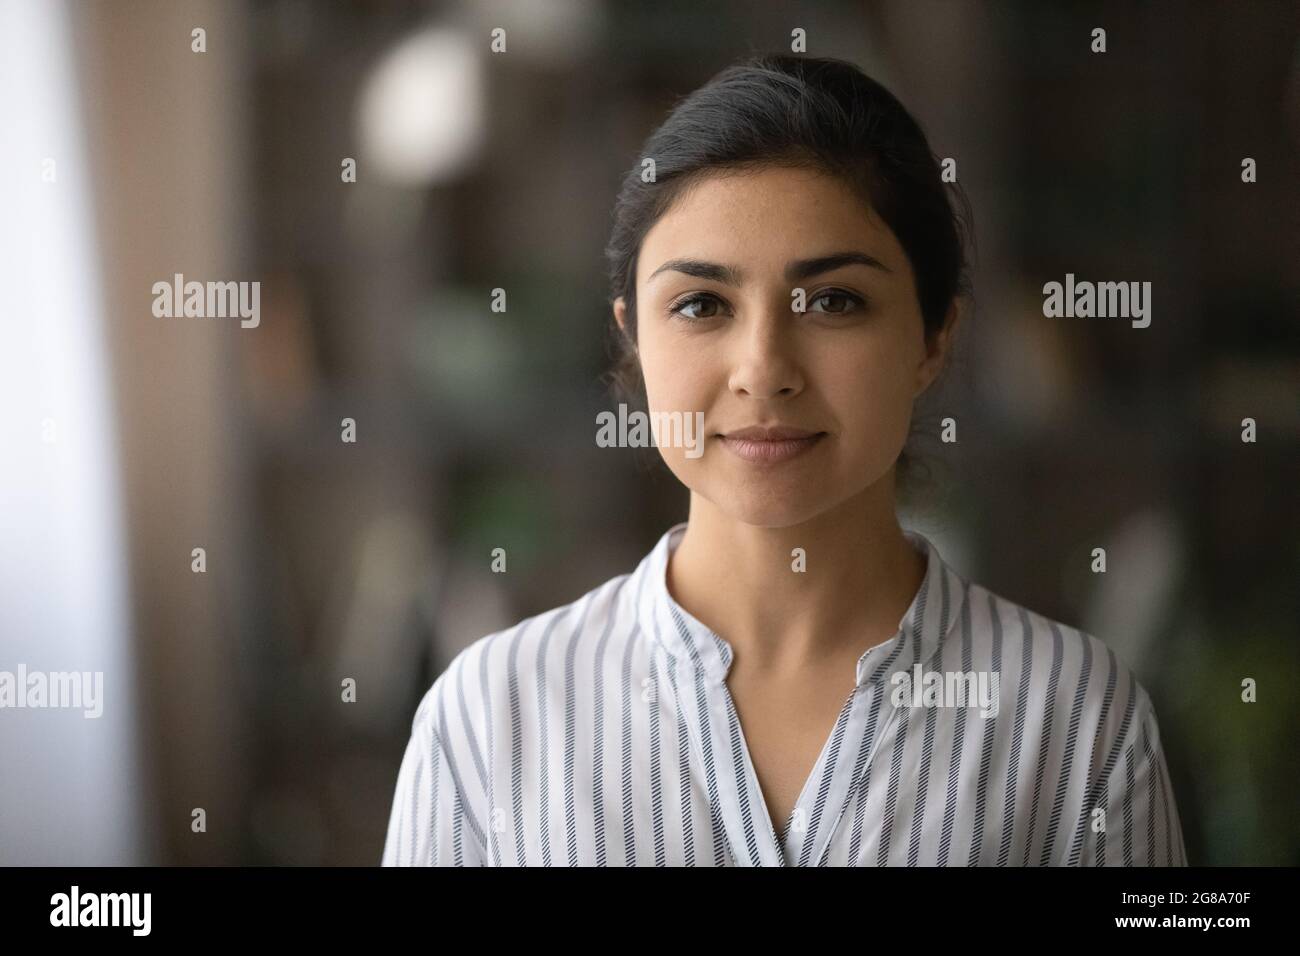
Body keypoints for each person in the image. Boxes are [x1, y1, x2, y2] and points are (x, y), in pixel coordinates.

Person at [382, 53, 1187, 867]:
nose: (764, 368)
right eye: (701, 304)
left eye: (835, 301)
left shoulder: (1079, 719)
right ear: (632, 334)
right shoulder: (489, 717)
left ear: (934, 336)